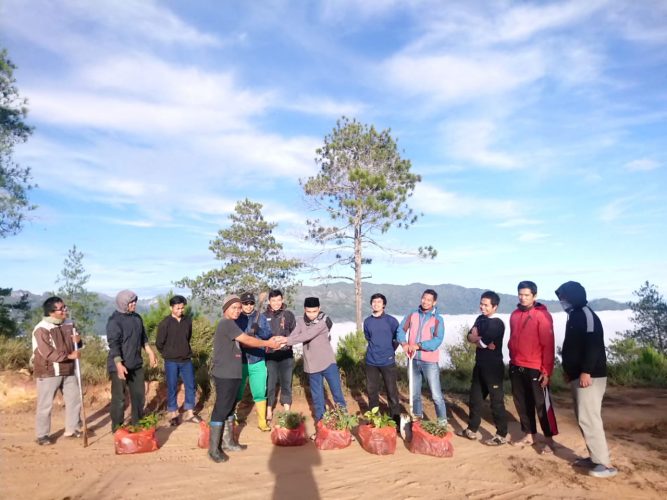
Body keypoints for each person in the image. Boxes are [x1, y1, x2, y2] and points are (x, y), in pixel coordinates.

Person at [208, 295, 285, 463]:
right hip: (225, 373)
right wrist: (268, 344)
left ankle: (228, 442)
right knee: (221, 409)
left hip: (233, 372)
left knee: (229, 408)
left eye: (238, 308)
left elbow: (245, 341)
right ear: (225, 309)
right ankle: (214, 449)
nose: (236, 311)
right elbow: (247, 340)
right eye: (233, 308)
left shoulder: (233, 324)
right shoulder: (226, 323)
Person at [556, 281, 618, 478]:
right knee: (583, 418)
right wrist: (571, 371)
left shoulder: (586, 315)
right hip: (579, 375)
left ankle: (604, 465)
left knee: (590, 418)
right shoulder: (574, 315)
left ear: (574, 296)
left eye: (564, 297)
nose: (562, 301)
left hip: (591, 376)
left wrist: (586, 371)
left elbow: (593, 345)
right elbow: (573, 346)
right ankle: (594, 457)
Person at [508, 280, 559, 453]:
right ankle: (529, 435)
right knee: (522, 403)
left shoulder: (542, 315)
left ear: (534, 296)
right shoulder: (514, 314)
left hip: (536, 367)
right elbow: (513, 338)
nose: (523, 298)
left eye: (527, 295)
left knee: (542, 405)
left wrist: (547, 371)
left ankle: (549, 440)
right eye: (520, 294)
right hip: (517, 365)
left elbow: (548, 345)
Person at [284, 297, 347, 426]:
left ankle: (344, 424)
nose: (312, 314)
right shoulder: (301, 322)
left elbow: (307, 336)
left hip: (328, 363)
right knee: (317, 398)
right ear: (304, 310)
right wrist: (281, 341)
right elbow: (294, 335)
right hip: (311, 365)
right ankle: (321, 425)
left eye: (314, 311)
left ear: (319, 308)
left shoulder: (323, 321)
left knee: (337, 395)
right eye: (309, 311)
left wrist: (285, 341)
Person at [457, 291, 508, 445]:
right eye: (481, 304)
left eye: (486, 305)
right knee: (475, 400)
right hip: (479, 365)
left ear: (495, 306)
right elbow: (469, 337)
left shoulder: (497, 323)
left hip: (493, 368)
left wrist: (477, 339)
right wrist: (478, 339)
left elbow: (481, 343)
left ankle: (501, 434)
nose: (482, 307)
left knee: (496, 402)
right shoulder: (480, 319)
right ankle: (472, 429)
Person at [32, 297, 82, 445]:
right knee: (45, 404)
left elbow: (78, 343)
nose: (65, 310)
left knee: (74, 400)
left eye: (65, 307)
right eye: (61, 309)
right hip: (48, 371)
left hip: (69, 368)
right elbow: (47, 352)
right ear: (51, 312)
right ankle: (42, 435)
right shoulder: (41, 329)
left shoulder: (70, 324)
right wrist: (69, 356)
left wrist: (78, 341)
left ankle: (72, 429)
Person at [106, 290, 158, 431]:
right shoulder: (114, 321)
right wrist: (118, 364)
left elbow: (143, 339)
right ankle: (117, 427)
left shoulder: (137, 318)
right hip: (119, 365)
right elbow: (114, 344)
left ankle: (137, 424)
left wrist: (150, 352)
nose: (134, 304)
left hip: (135, 364)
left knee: (139, 396)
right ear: (123, 304)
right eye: (131, 302)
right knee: (119, 399)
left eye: (135, 301)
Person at [397, 288, 447, 424]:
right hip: (412, 360)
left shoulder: (437, 319)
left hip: (429, 362)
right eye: (424, 298)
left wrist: (418, 345)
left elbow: (437, 340)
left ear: (434, 302)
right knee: (414, 394)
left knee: (436, 395)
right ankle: (417, 421)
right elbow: (401, 330)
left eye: (429, 300)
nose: (425, 301)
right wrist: (404, 343)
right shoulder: (412, 315)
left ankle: (442, 423)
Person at [156, 295, 201, 426]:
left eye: (182, 308)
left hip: (186, 359)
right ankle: (173, 413)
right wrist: (168, 353)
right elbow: (159, 343)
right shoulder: (165, 323)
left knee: (190, 385)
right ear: (171, 308)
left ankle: (190, 412)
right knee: (172, 386)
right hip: (171, 361)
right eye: (177, 308)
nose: (180, 310)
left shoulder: (187, 321)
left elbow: (188, 337)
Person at [234, 292, 272, 431]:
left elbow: (268, 335)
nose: (249, 306)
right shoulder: (236, 318)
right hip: (240, 360)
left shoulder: (260, 317)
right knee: (236, 391)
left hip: (257, 359)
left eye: (251, 303)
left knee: (260, 391)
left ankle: (262, 422)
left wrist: (259, 330)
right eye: (245, 303)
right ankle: (234, 418)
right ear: (241, 304)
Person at [363, 292, 400, 427]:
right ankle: (374, 420)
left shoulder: (391, 321)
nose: (376, 304)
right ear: (371, 304)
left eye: (379, 302)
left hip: (387, 361)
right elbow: (368, 337)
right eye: (374, 302)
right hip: (371, 361)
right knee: (372, 392)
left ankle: (395, 421)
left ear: (384, 305)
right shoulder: (367, 321)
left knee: (392, 392)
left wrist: (389, 351)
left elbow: (397, 338)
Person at [264, 289, 297, 423]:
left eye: (278, 300)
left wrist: (286, 341)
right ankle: (269, 410)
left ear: (282, 300)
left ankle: (287, 410)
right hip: (270, 355)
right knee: (270, 382)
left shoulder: (288, 315)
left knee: (286, 382)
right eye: (273, 300)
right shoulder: (263, 316)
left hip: (286, 354)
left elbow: (295, 333)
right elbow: (260, 335)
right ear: (269, 301)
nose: (276, 303)